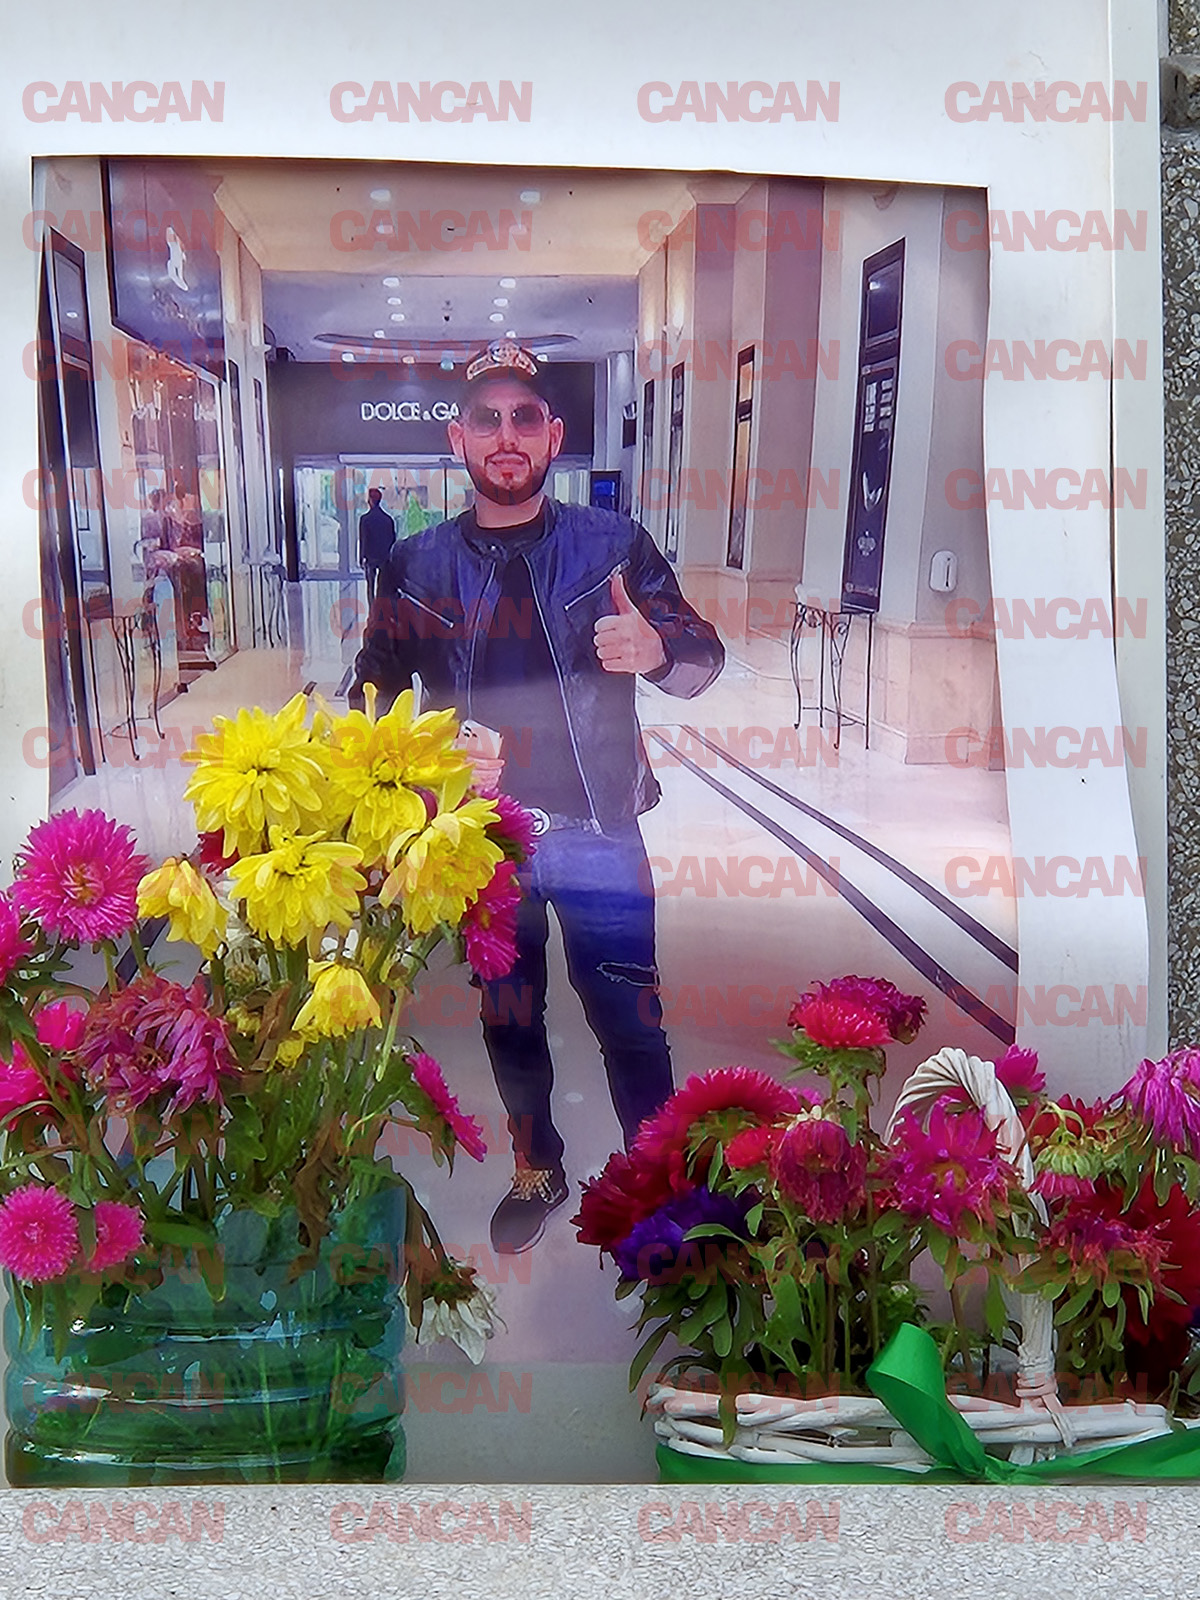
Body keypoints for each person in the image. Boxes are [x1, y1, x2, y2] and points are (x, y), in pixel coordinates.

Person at [349, 340, 724, 1252]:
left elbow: (703, 655)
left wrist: (659, 651)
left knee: (632, 1021)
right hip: (485, 840)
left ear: (554, 436)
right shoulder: (416, 565)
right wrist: (431, 756)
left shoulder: (613, 545)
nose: (506, 436)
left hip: (602, 833)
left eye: (525, 418)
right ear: (459, 438)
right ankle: (536, 1167)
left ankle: (658, 1187)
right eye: (487, 419)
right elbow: (369, 698)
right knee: (508, 1018)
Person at [358, 487, 397, 603]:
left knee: (370, 585)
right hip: (384, 557)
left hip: (371, 557)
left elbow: (364, 540)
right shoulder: (388, 519)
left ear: (370, 500)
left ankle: (372, 606)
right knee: (382, 585)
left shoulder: (365, 519)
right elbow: (392, 540)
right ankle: (381, 605)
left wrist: (361, 557)